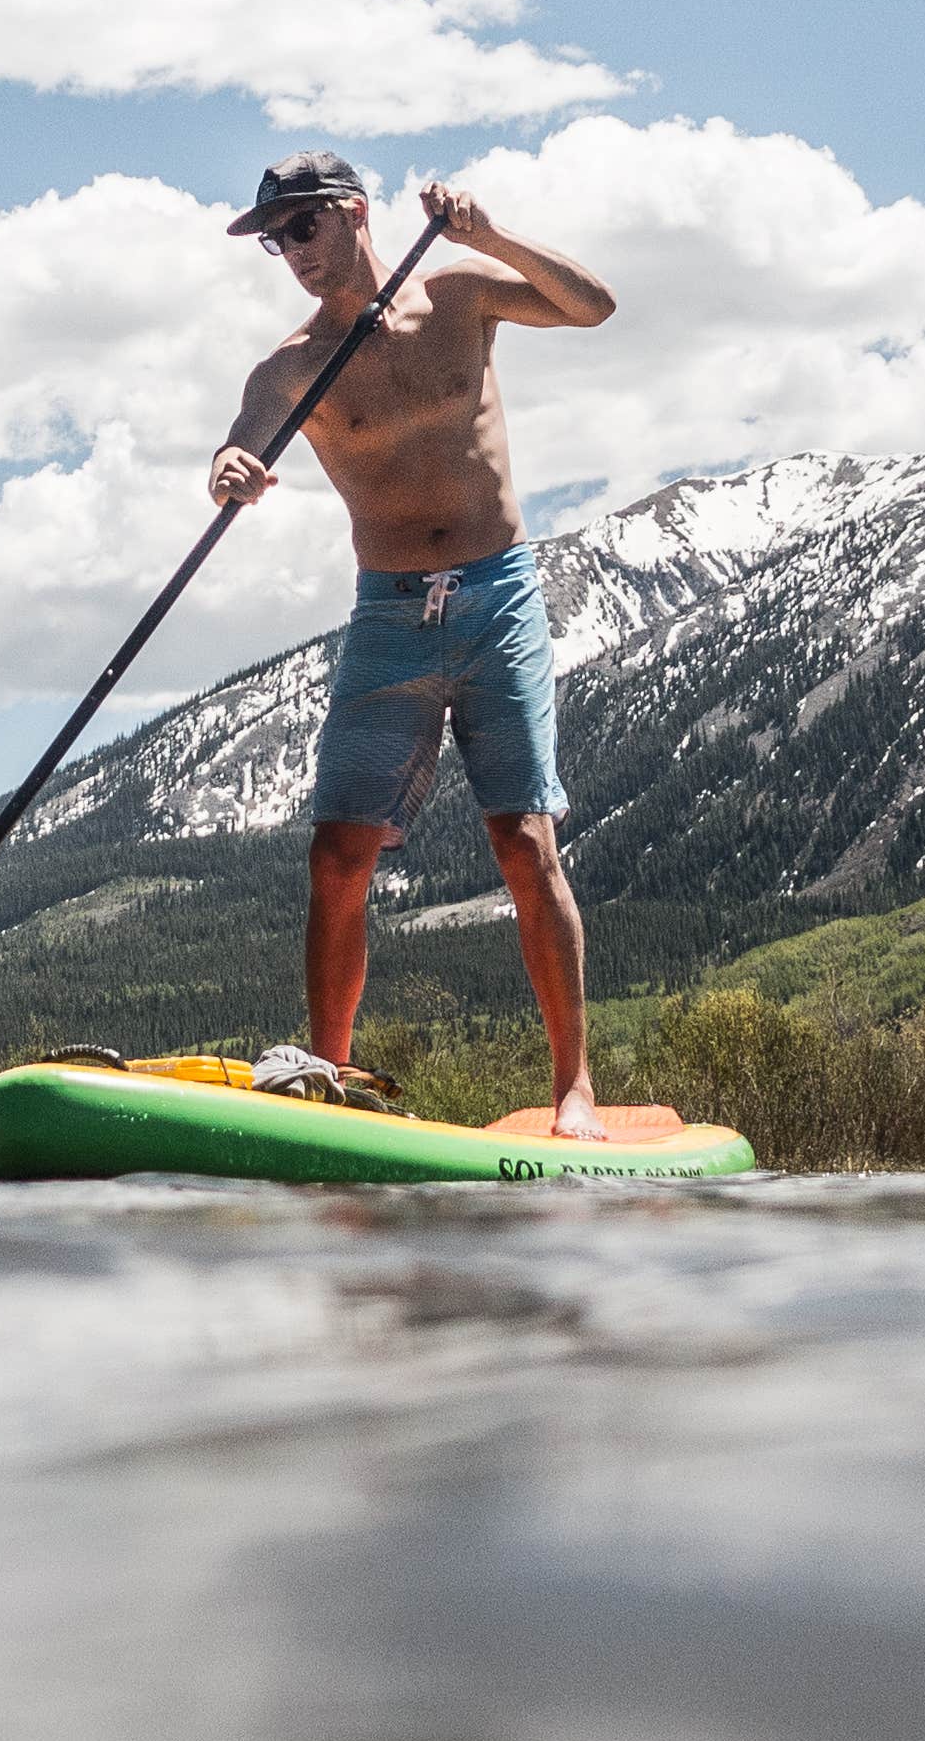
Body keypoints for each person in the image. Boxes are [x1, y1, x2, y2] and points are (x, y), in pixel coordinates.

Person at [208, 151, 619, 1137]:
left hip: (497, 597)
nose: (289, 251)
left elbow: (593, 306)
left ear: (352, 212)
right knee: (337, 855)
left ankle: (575, 1086)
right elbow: (244, 439)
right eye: (273, 238)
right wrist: (230, 466)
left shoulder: (457, 291)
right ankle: (328, 1075)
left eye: (301, 226)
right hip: (388, 617)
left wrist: (490, 234)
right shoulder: (292, 364)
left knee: (523, 842)